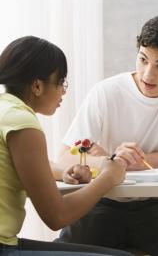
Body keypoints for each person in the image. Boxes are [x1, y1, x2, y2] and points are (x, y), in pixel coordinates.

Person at [55, 14, 158, 255]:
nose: (147, 74)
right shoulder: (106, 92)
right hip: (105, 200)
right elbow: (64, 159)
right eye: (143, 60)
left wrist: (120, 163)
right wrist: (108, 162)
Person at [0, 36, 133, 256]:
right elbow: (57, 216)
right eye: (61, 82)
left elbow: (22, 165)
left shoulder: (6, 111)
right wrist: (108, 178)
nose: (63, 91)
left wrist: (64, 171)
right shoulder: (22, 123)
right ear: (37, 86)